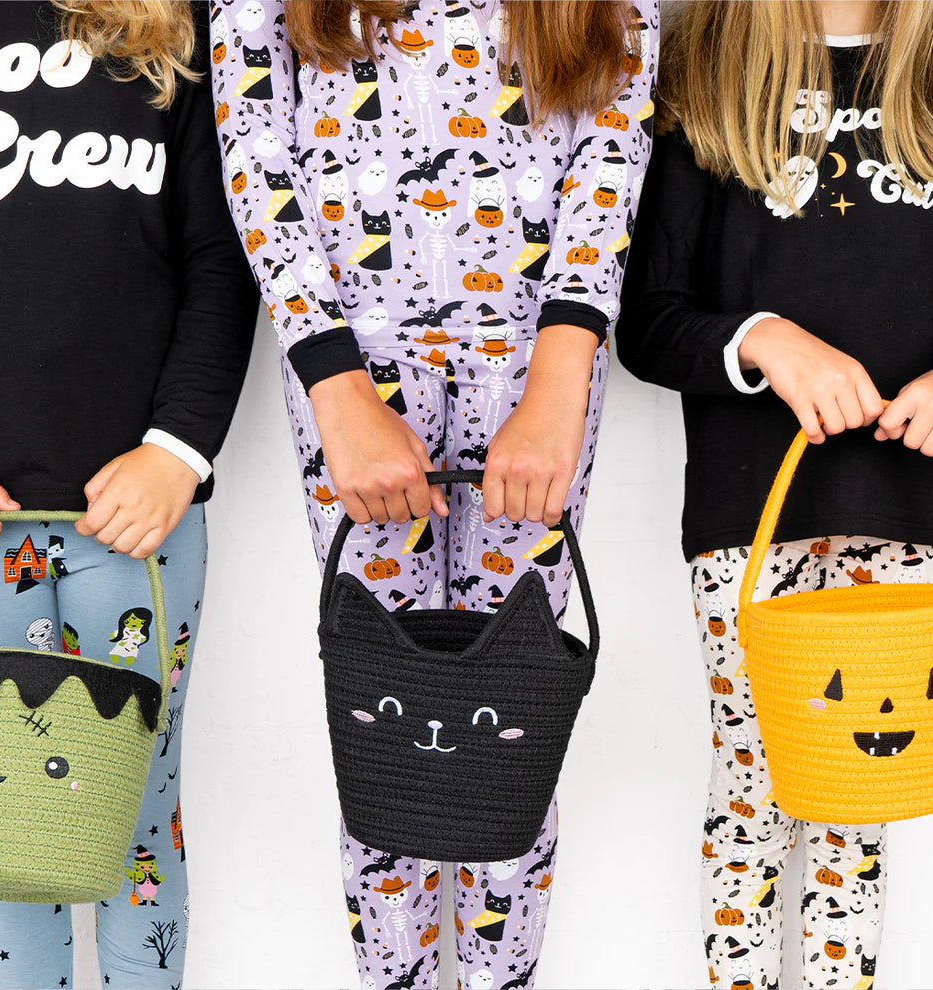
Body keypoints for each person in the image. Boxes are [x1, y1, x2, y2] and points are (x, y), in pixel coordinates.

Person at [212, 0, 656, 983]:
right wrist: (335, 385)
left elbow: (613, 148)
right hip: (353, 371)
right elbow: (255, 146)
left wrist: (561, 376)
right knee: (383, 719)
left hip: (538, 363)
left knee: (512, 718)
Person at [616, 1, 933, 985]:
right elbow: (647, 321)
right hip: (750, 518)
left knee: (854, 805)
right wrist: (763, 339)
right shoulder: (703, 71)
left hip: (908, 514)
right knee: (753, 794)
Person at [0, 2, 257, 986]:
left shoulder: (178, 27)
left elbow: (224, 253)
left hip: (138, 518)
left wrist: (178, 450)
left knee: (137, 811)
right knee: (6, 822)